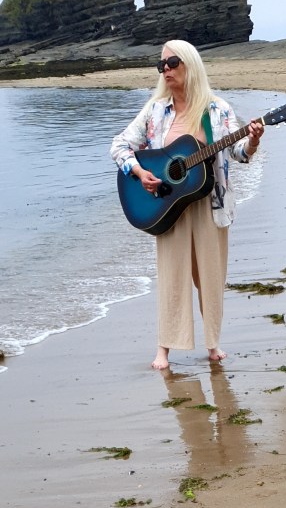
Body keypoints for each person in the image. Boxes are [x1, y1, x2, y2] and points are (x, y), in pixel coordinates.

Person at [110, 40, 264, 370]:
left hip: (210, 203)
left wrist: (252, 141)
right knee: (172, 277)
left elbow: (237, 153)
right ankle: (163, 349)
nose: (165, 70)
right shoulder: (155, 111)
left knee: (210, 276)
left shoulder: (217, 110)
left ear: (190, 65)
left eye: (172, 63)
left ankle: (213, 343)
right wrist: (139, 172)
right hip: (168, 204)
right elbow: (119, 145)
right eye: (161, 65)